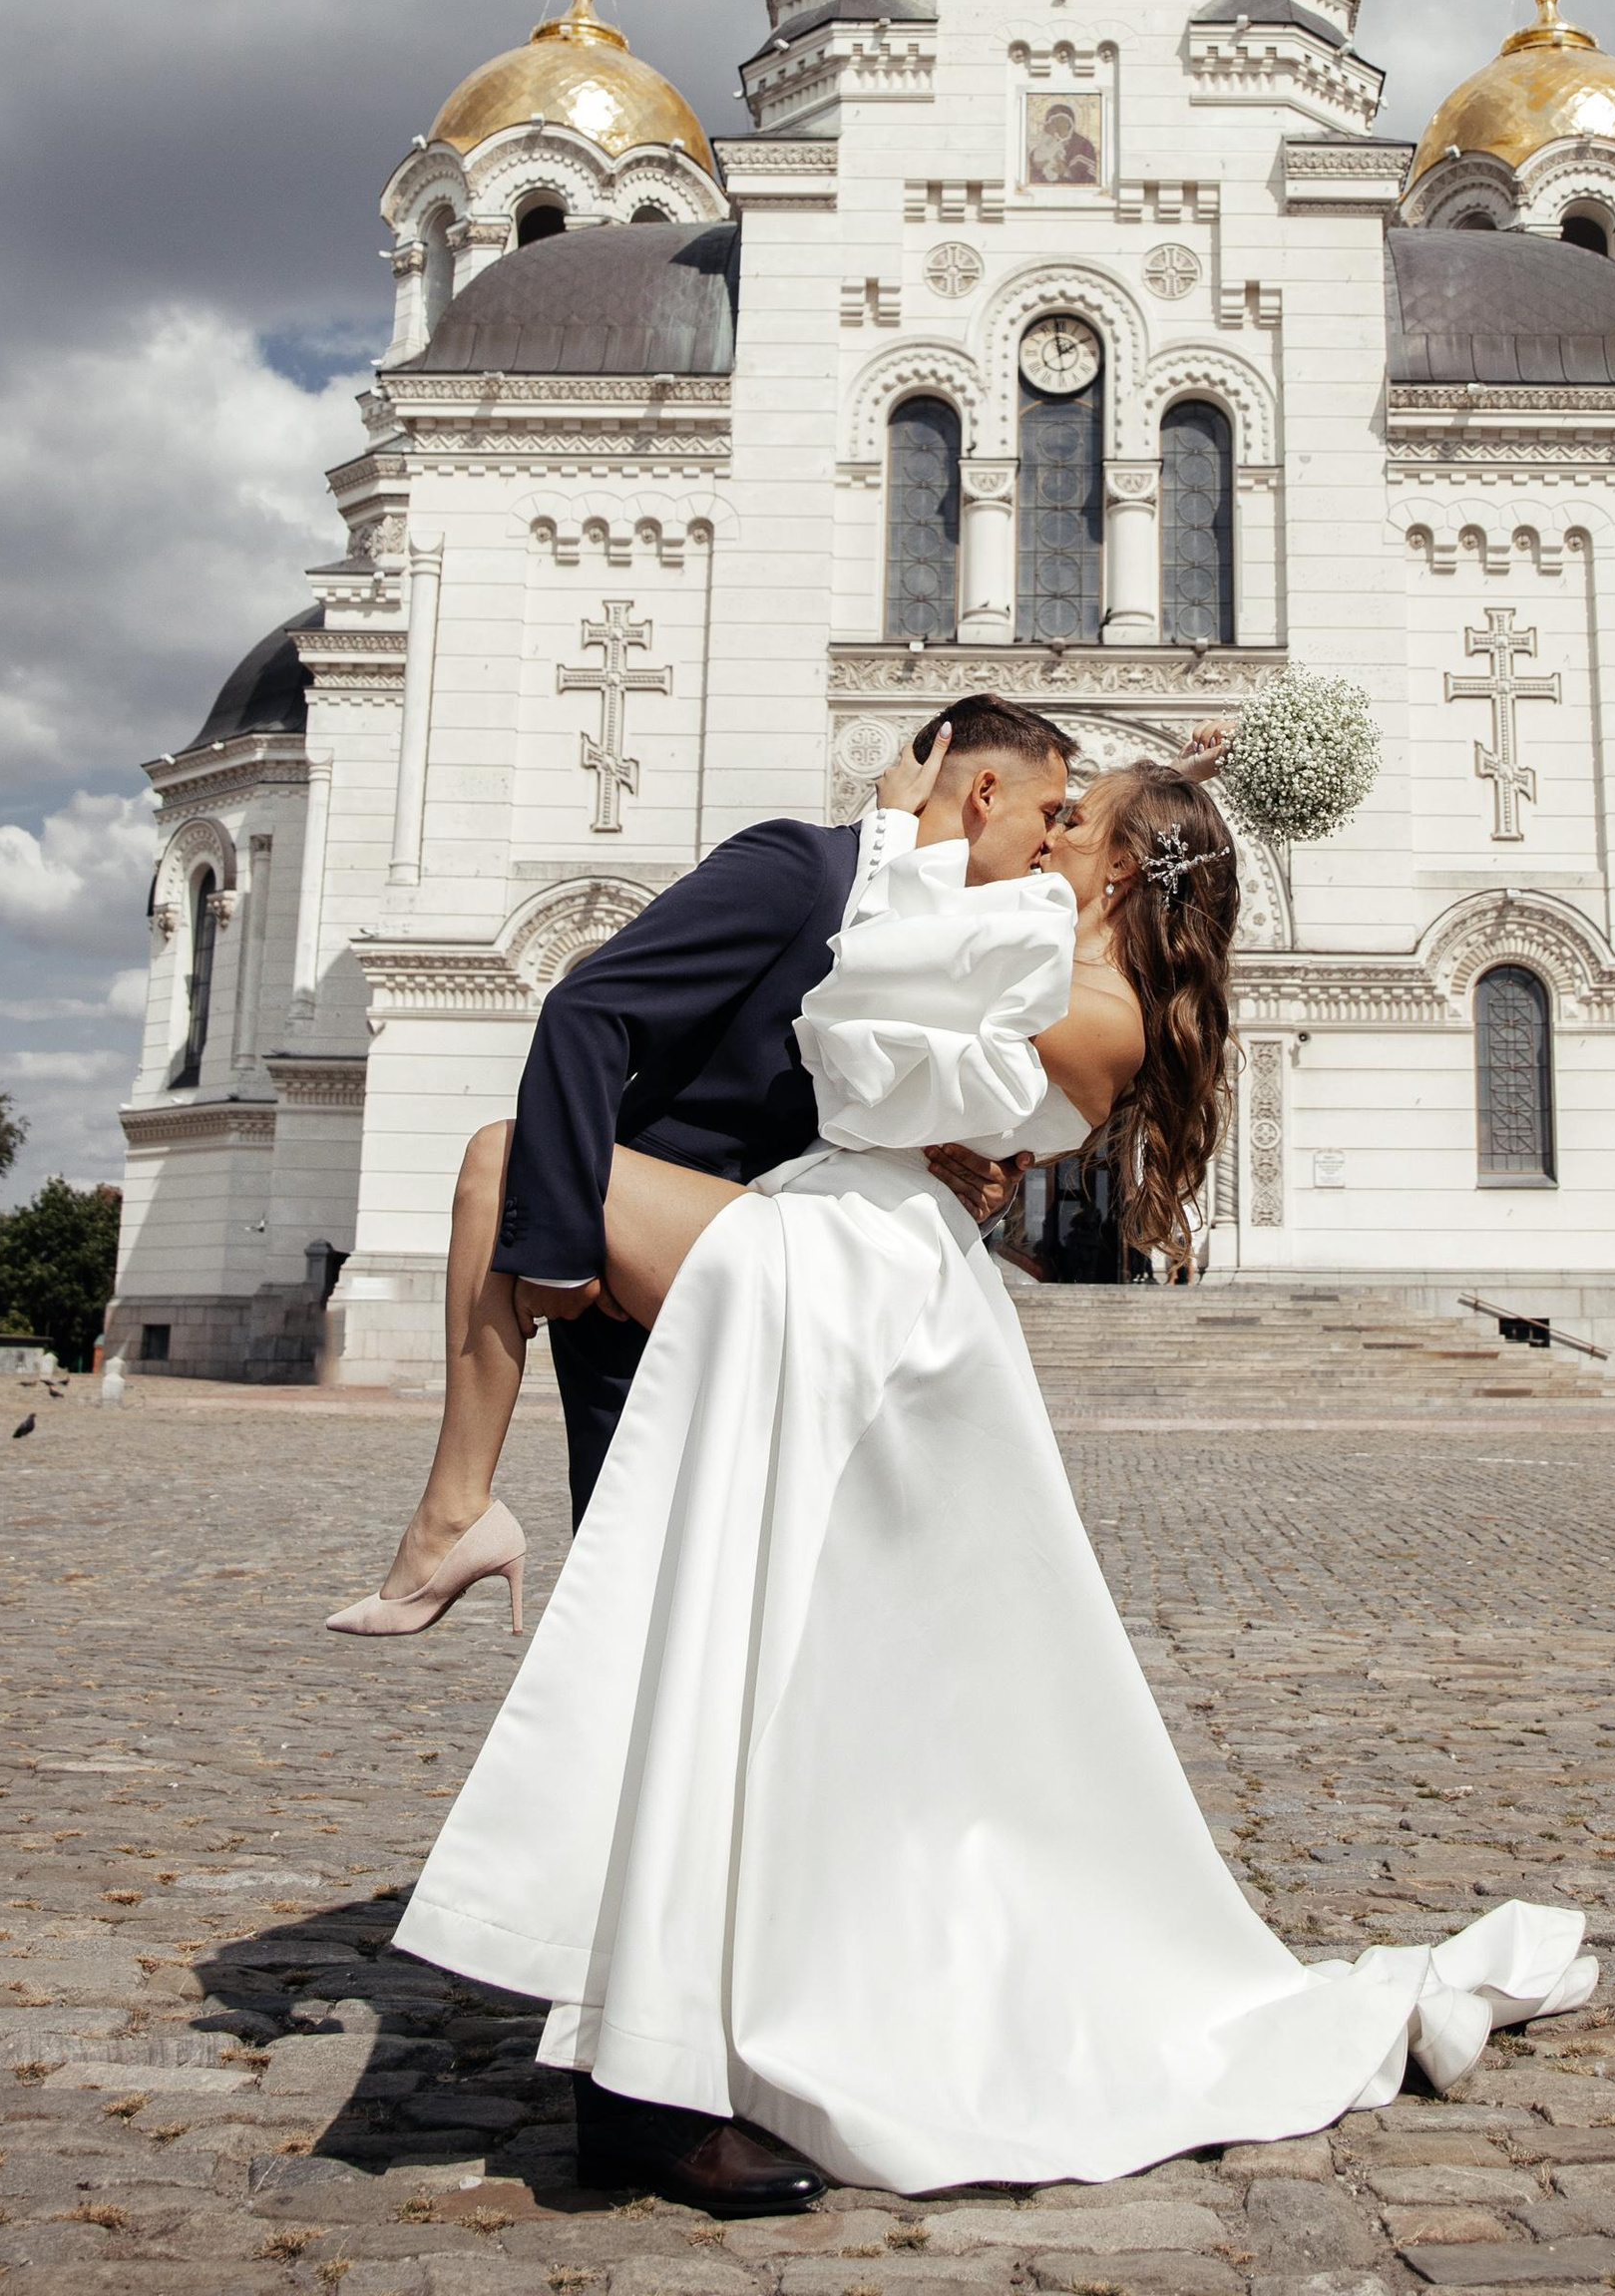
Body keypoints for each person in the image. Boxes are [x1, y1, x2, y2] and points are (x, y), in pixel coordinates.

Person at [391, 730, 1594, 2205]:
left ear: (1122, 871)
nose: (1040, 828)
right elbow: (887, 1036)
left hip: (851, 1282)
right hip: (840, 1257)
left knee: (521, 1182)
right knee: (766, 1659)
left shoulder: (1094, 1011)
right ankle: (669, 2006)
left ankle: (464, 1528)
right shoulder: (1044, 957)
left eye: (1071, 821)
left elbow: (862, 1031)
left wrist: (897, 834)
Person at [323, 693, 1075, 2208]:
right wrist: (553, 1258)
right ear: (981, 783)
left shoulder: (905, 908)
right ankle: (638, 2106)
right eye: (1047, 813)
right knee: (670, 1679)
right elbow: (589, 1015)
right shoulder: (797, 871)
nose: (1055, 848)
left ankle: (725, 2039)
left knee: (758, 1683)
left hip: (772, 1313)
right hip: (671, 1309)